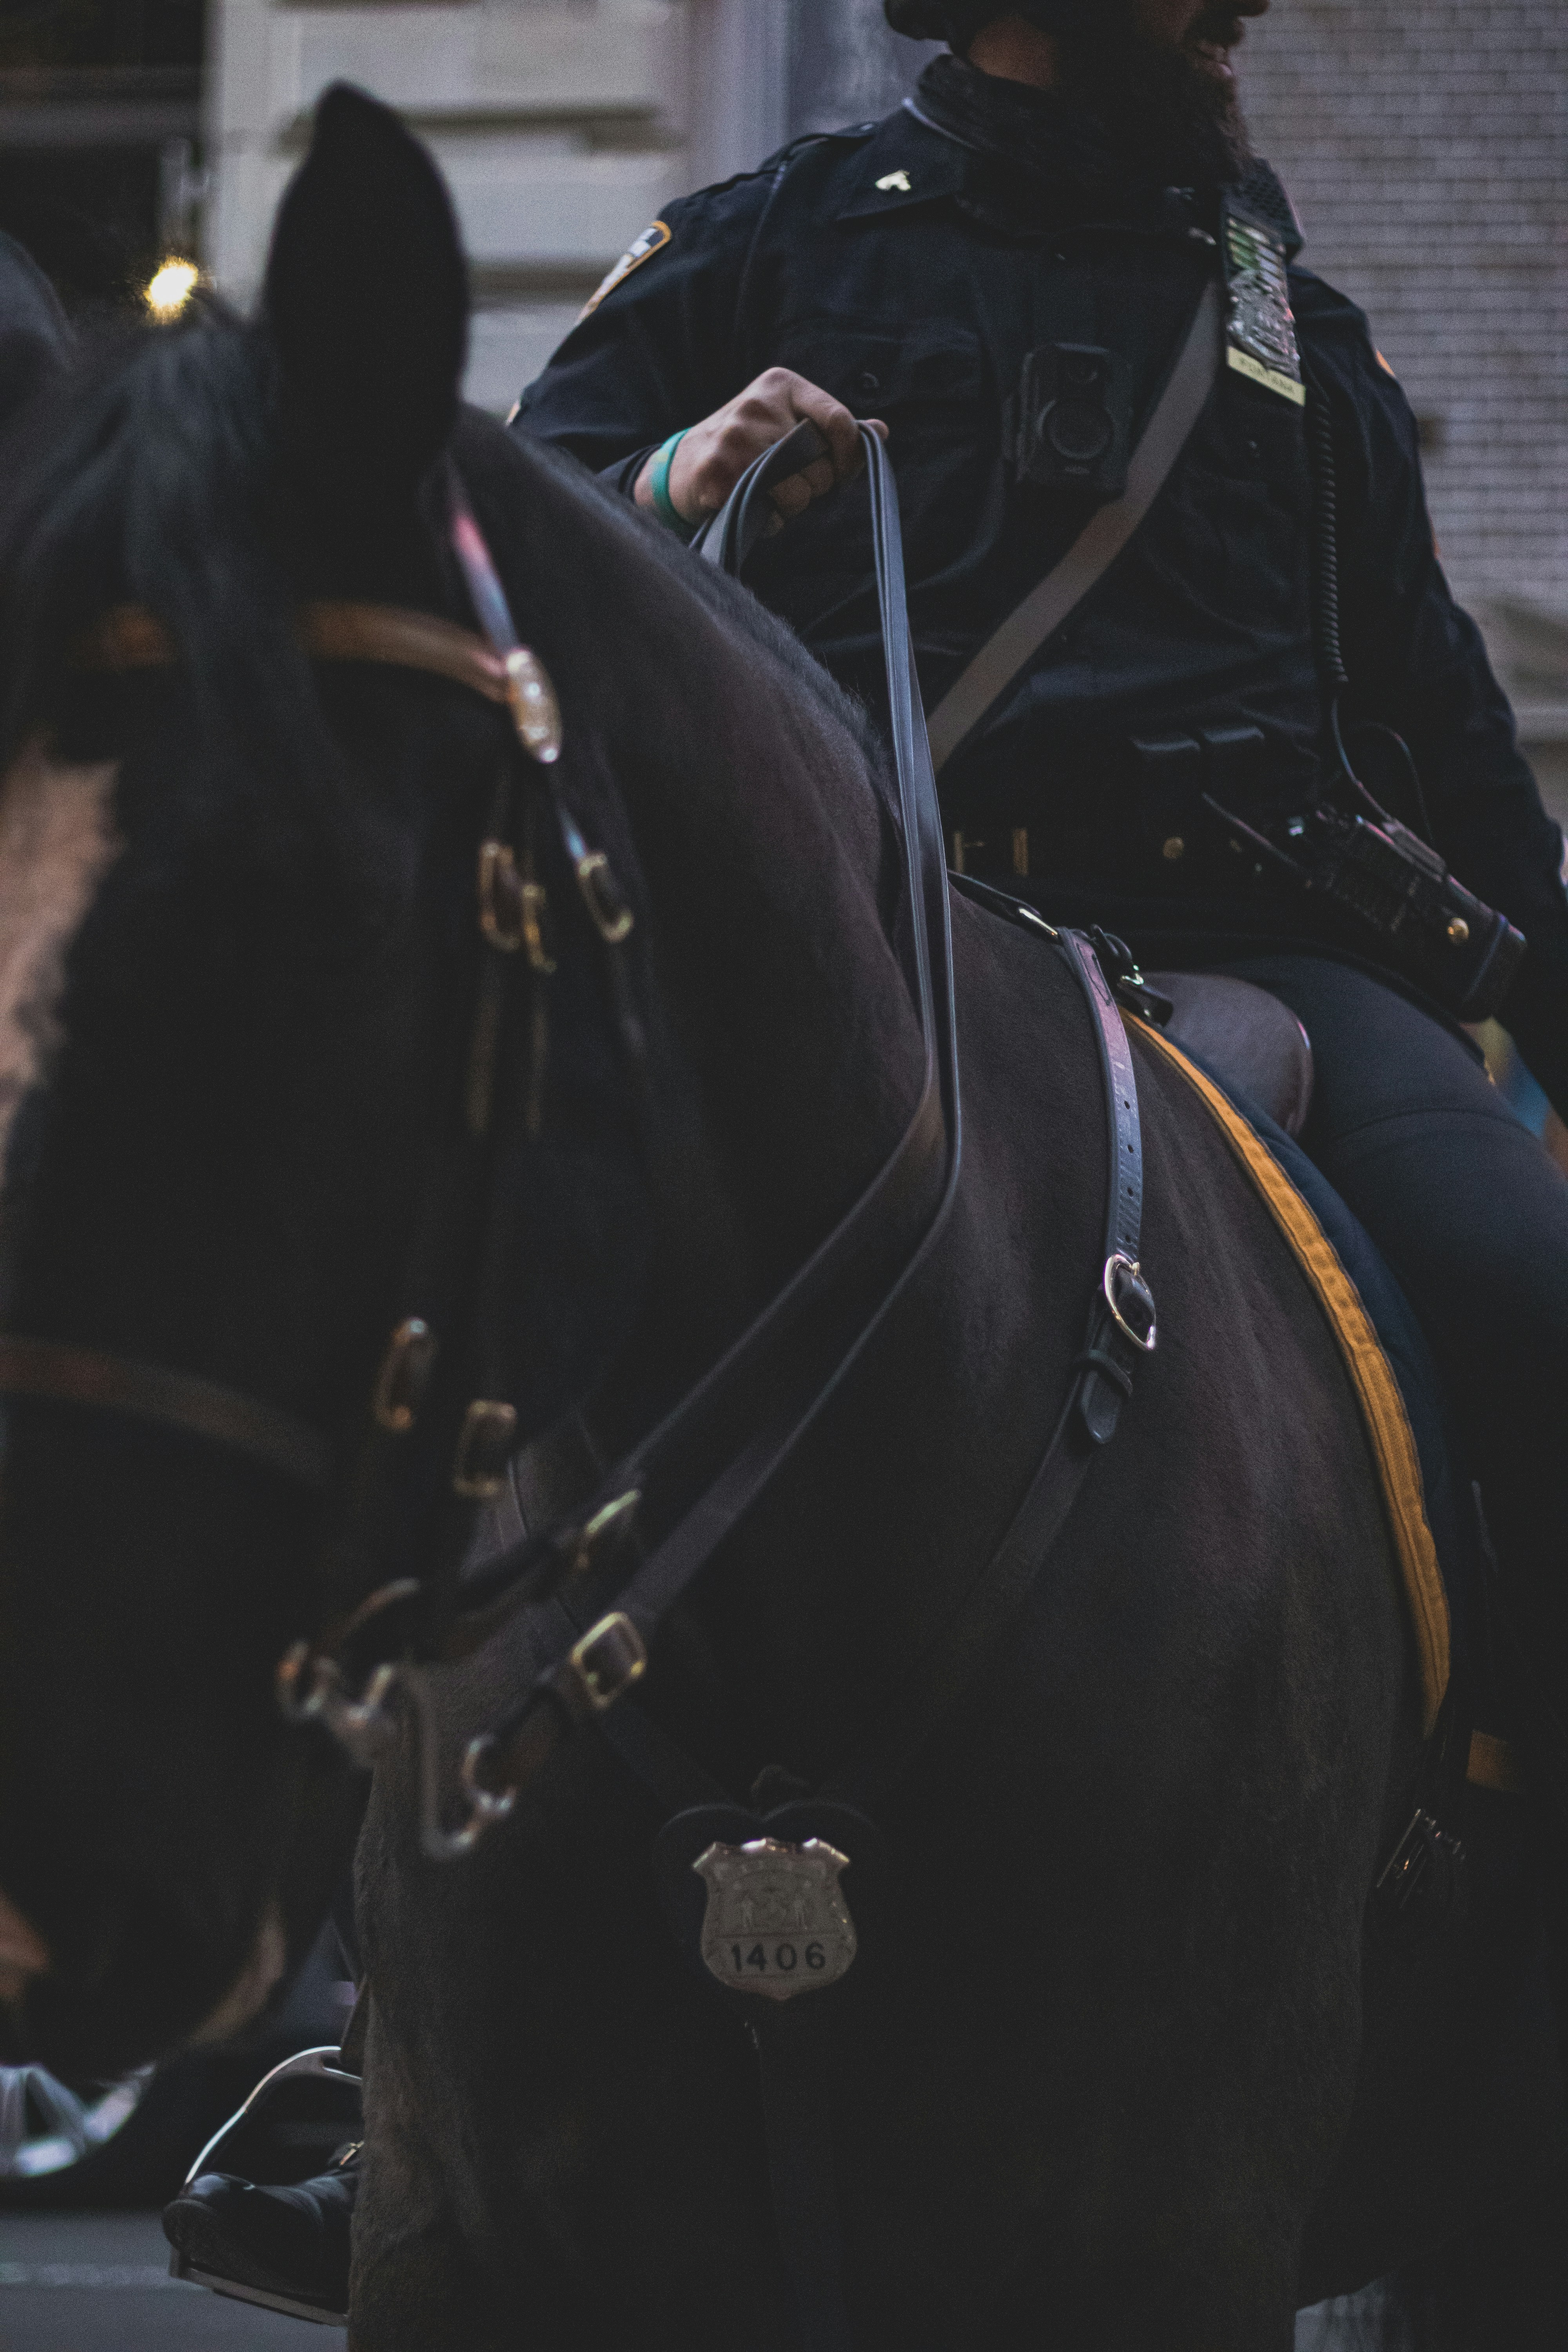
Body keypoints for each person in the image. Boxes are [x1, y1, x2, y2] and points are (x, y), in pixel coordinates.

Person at [166, 0, 1568, 2313]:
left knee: (1533, 1310)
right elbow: (518, 573)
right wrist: (685, 479)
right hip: (882, 955)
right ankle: (376, 2047)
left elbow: (1448, 754)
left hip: (1271, 963)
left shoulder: (1286, 321)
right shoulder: (764, 244)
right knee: (471, 1311)